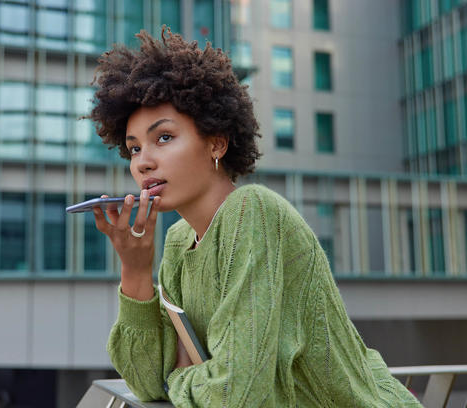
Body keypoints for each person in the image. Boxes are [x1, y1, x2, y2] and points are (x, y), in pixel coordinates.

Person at [87, 27, 421, 407]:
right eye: (133, 149)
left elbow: (236, 394)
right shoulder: (180, 243)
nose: (144, 162)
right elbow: (147, 383)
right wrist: (134, 269)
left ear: (216, 142)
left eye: (163, 138)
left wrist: (177, 379)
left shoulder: (254, 213)